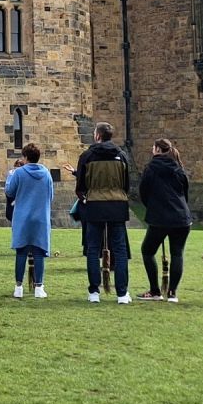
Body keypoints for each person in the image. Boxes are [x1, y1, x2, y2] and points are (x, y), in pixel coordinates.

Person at [74, 123, 132, 303]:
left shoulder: (87, 156)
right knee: (120, 249)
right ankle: (122, 293)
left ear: (98, 136)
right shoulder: (122, 156)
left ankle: (94, 292)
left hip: (95, 204)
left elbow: (80, 186)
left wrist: (86, 198)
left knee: (93, 249)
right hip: (117, 204)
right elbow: (126, 184)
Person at [138, 138, 193, 303]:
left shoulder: (150, 169)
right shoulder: (178, 169)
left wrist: (153, 207)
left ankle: (155, 290)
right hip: (181, 217)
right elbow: (185, 193)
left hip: (160, 218)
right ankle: (172, 293)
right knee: (177, 253)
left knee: (147, 251)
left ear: (157, 150)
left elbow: (143, 193)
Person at [6, 143, 53, 298]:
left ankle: (18, 287)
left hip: (22, 217)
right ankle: (39, 287)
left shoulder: (19, 173)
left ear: (25, 157)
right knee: (39, 252)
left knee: (21, 252)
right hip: (41, 217)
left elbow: (10, 191)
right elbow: (50, 195)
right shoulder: (46, 173)